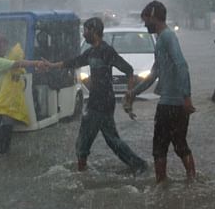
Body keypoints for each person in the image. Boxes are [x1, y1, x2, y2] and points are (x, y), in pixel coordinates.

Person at [43, 17, 148, 173]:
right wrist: (51, 65)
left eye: (86, 31)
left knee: (84, 141)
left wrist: (129, 94)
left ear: (94, 31)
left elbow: (129, 70)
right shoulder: (91, 52)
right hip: (96, 100)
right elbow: (73, 62)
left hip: (103, 101)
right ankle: (138, 164)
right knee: (112, 140)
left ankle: (82, 172)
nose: (84, 34)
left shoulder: (107, 51)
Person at [125, 0, 196, 184]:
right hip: (172, 102)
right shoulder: (161, 40)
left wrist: (187, 96)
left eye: (146, 20)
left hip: (172, 103)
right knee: (179, 146)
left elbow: (181, 65)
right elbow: (154, 73)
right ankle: (190, 182)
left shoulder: (167, 37)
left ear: (154, 17)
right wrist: (134, 92)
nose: (145, 24)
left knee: (160, 148)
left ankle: (163, 185)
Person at [0, 35, 44, 159]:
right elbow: (18, 63)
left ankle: (3, 159)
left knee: (6, 134)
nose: (5, 47)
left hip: (4, 103)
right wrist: (36, 63)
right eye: (2, 45)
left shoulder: (4, 59)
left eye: (5, 45)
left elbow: (16, 68)